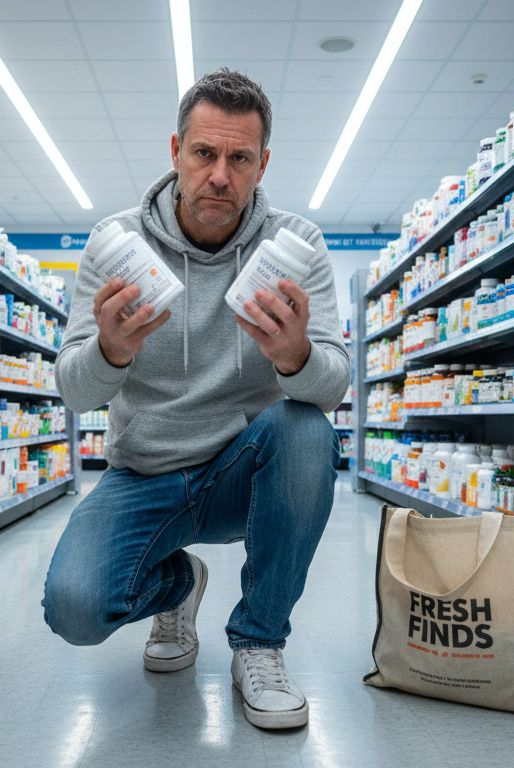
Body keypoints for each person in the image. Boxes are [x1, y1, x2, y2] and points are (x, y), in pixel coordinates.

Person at [43, 68, 350, 731]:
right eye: (204, 153)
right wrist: (112, 352)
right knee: (74, 607)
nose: (220, 175)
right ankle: (177, 586)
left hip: (243, 471)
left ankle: (259, 643)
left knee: (306, 430)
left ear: (261, 163)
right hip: (143, 474)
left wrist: (294, 356)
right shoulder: (114, 244)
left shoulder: (296, 248)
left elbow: (332, 387)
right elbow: (71, 389)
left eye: (240, 158)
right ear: (175, 150)